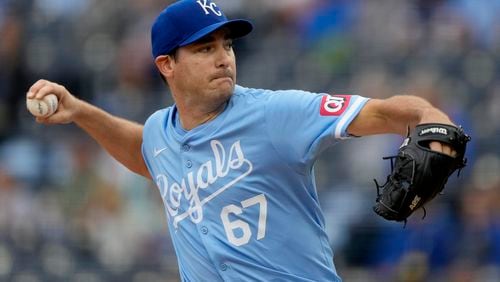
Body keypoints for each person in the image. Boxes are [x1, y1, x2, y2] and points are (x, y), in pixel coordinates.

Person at [27, 0, 459, 281]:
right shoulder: (162, 132)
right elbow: (145, 152)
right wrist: (81, 111)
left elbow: (383, 112)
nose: (222, 57)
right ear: (166, 65)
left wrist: (431, 118)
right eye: (203, 48)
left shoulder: (275, 113)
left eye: (226, 45)